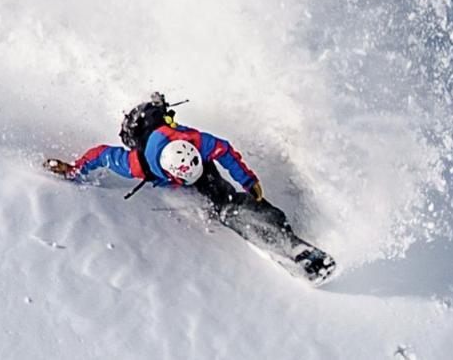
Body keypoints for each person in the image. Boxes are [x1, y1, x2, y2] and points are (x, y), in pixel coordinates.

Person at [45, 92, 335, 281]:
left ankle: (286, 237)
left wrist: (249, 181)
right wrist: (73, 171)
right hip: (145, 136)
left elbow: (225, 151)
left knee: (225, 196)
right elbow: (100, 154)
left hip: (184, 152)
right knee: (220, 198)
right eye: (186, 179)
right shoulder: (138, 164)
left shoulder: (196, 141)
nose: (190, 182)